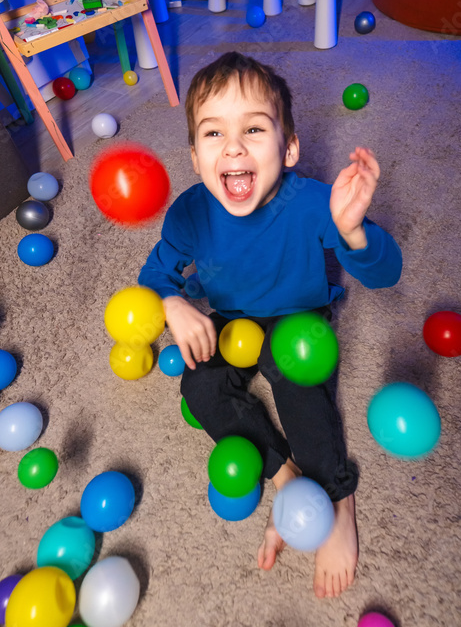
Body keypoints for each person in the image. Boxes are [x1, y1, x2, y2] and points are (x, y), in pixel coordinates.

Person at [139, 52, 402, 598]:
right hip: (235, 320)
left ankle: (334, 496)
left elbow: (386, 274)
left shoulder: (313, 204)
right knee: (198, 385)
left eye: (253, 129)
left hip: (298, 317)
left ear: (289, 149)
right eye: (214, 133)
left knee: (297, 378)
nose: (233, 146)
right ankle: (287, 480)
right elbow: (155, 273)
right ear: (193, 156)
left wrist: (353, 232)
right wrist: (171, 302)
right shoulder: (188, 212)